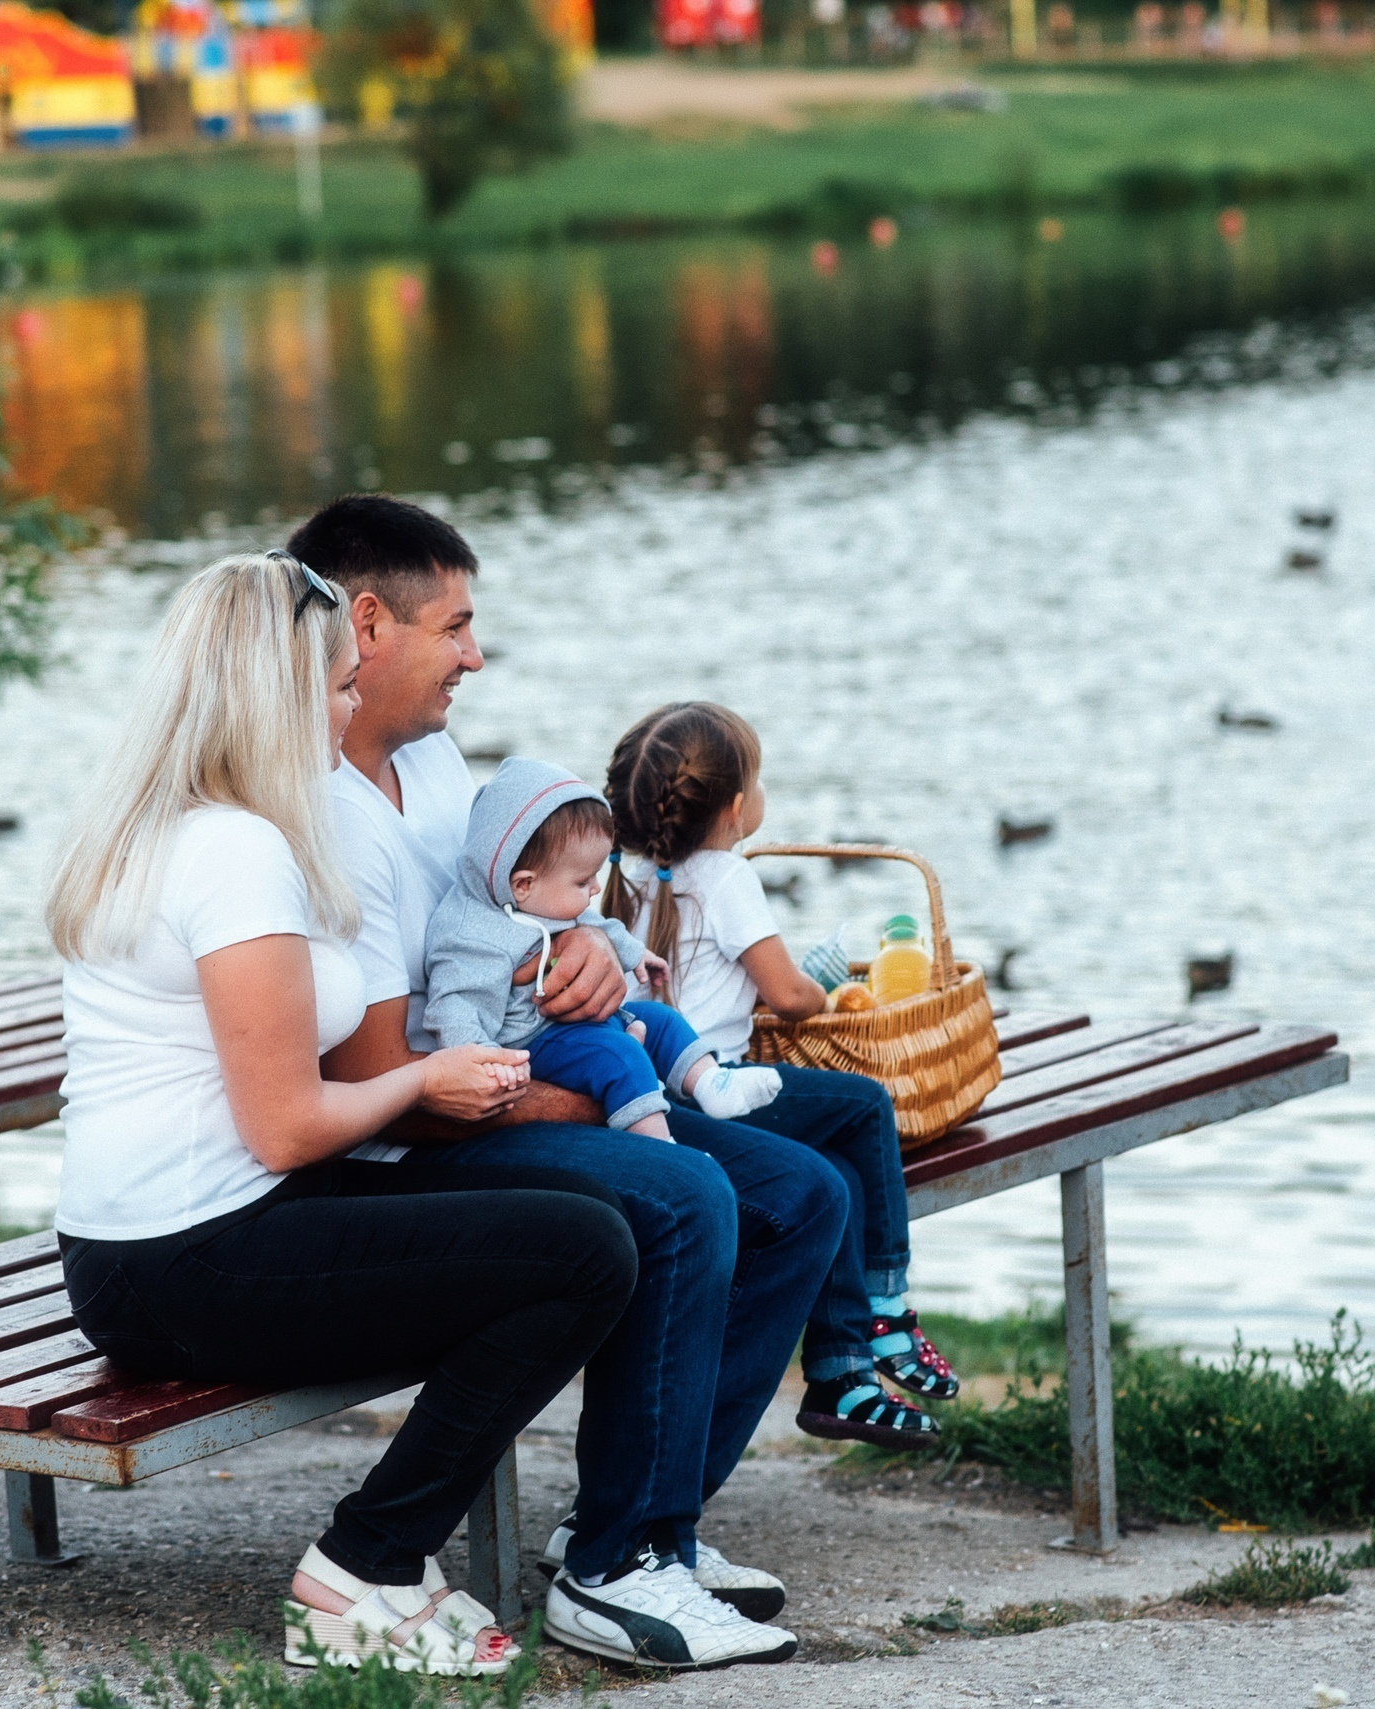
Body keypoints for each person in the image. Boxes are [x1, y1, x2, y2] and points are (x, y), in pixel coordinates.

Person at [44, 551, 637, 1677]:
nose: (349, 698)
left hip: (149, 1239)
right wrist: (423, 1078)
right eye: (330, 681)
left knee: (566, 1202)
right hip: (190, 1255)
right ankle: (364, 1563)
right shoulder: (233, 851)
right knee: (580, 1250)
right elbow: (287, 1127)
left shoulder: (170, 823)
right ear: (273, 693)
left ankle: (394, 1565)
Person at [295, 495, 842, 1671]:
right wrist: (601, 1096)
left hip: (524, 1063)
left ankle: (653, 1525)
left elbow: (525, 893)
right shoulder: (321, 813)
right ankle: (611, 1569)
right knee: (683, 1193)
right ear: (369, 623)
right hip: (412, 1131)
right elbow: (392, 1073)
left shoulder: (433, 762)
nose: (475, 656)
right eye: (457, 627)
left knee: (804, 1194)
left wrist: (587, 941)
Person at [603, 702, 962, 1452]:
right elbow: (790, 996)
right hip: (714, 1083)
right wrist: (823, 988)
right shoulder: (728, 876)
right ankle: (890, 1306)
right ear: (735, 808)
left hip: (648, 1084)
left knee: (833, 1167)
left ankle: (840, 1368)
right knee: (863, 1105)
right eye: (757, 778)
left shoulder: (626, 880)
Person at [423, 757, 788, 1139]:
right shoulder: (471, 937)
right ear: (523, 884)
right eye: (584, 881)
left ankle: (713, 1083)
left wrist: (635, 954)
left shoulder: (545, 898)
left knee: (659, 1020)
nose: (595, 889)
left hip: (571, 1028)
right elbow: (454, 1006)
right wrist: (487, 1061)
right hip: (531, 1044)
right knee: (621, 1057)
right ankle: (660, 1145)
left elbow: (599, 926)